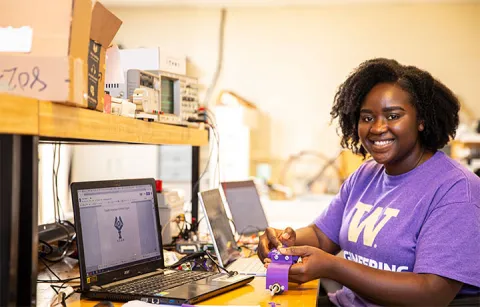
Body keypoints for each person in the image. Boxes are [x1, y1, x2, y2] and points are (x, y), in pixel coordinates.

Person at [258, 58, 480, 306]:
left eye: (393, 115)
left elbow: (431, 294)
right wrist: (285, 240)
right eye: (367, 118)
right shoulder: (365, 175)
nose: (377, 128)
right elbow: (322, 236)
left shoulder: (456, 189)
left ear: (421, 120)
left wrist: (333, 267)